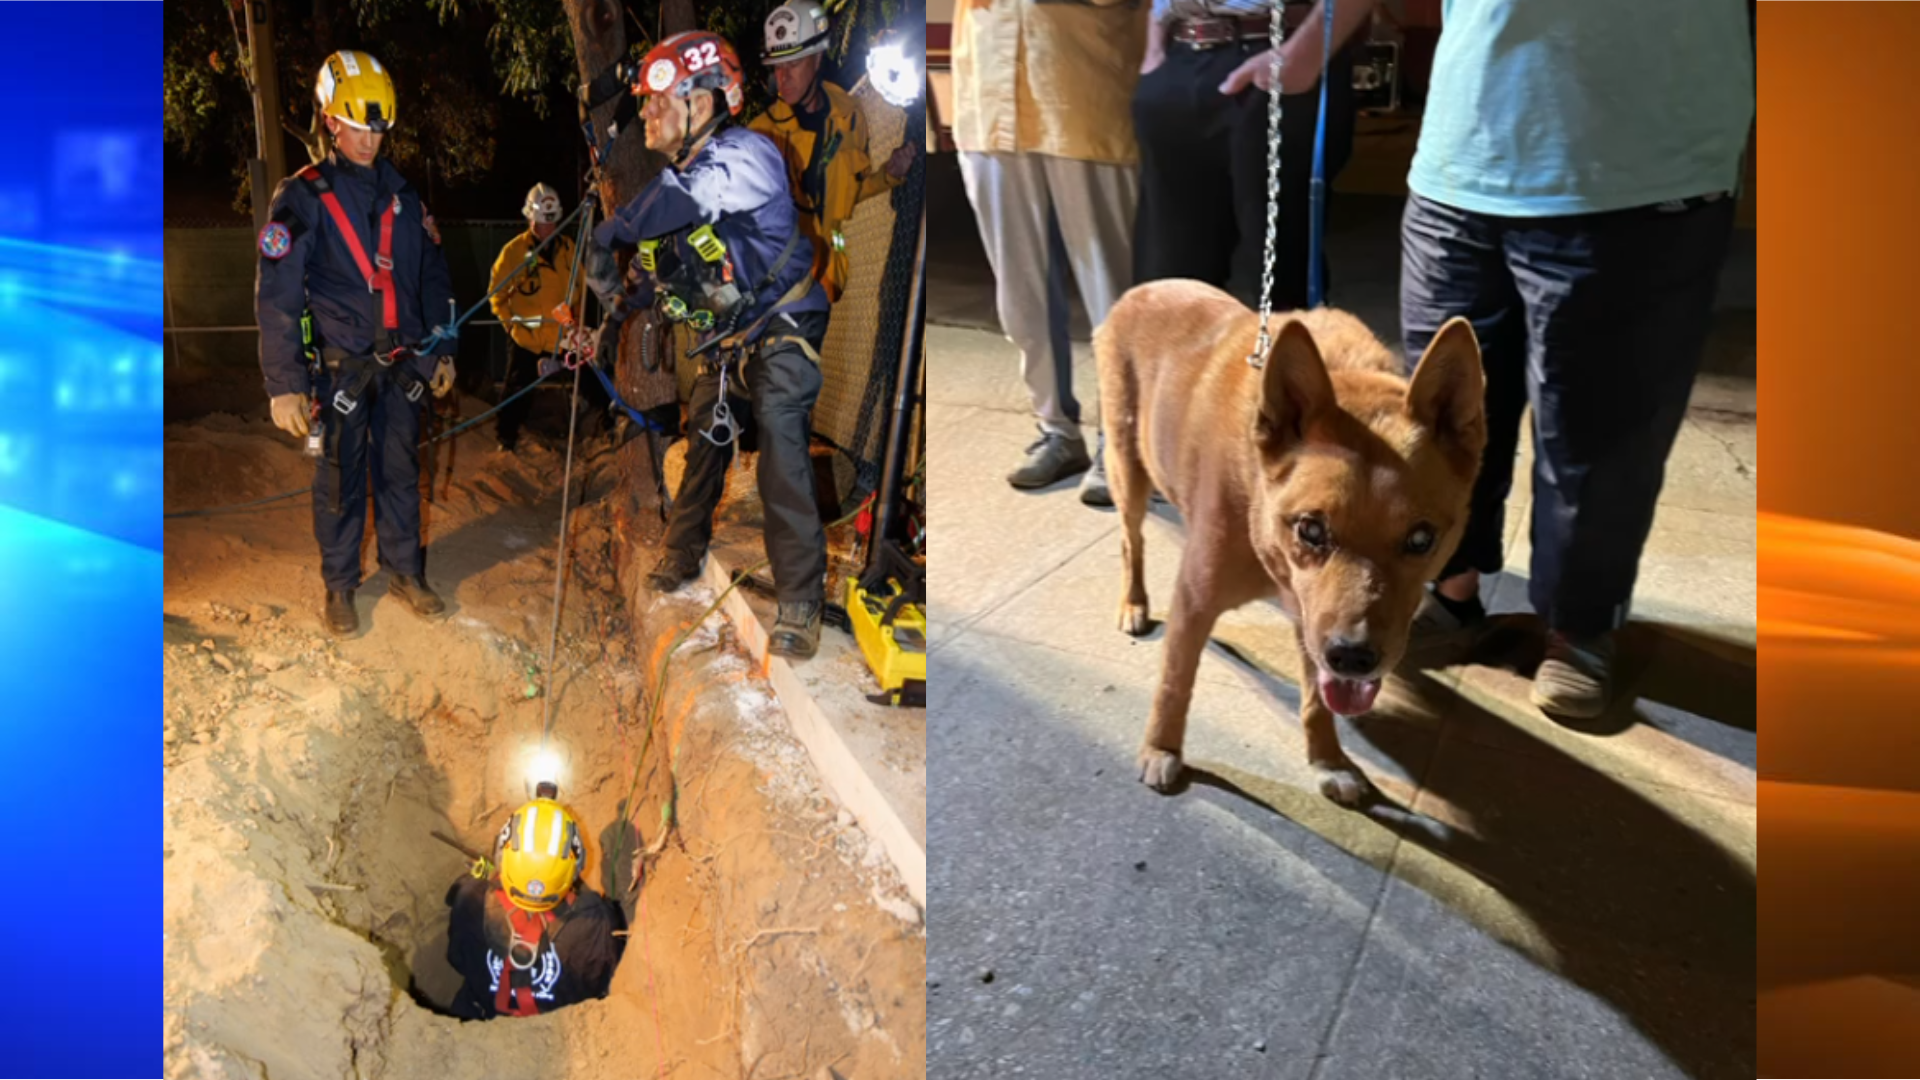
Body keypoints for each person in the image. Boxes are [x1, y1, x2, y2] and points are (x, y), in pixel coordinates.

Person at [1400, 0, 1754, 718]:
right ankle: (1451, 585)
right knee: (1438, 425)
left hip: (1635, 171)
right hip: (1461, 155)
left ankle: (1581, 625)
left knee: (1600, 438)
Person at [590, 30, 834, 659]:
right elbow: (660, 271)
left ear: (701, 102)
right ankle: (681, 550)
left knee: (780, 425)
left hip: (785, 321)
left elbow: (686, 199)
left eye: (657, 98)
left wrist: (610, 228)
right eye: (644, 101)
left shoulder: (746, 154)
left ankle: (802, 598)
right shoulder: (682, 176)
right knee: (708, 430)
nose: (646, 112)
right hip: (735, 335)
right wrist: (616, 312)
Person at [255, 50, 457, 637]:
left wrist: (443, 348)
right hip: (340, 373)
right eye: (357, 127)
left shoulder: (405, 196)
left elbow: (434, 278)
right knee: (339, 481)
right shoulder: (301, 199)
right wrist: (284, 384)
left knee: (401, 475)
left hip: (404, 369)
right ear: (329, 122)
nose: (370, 140)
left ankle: (405, 572)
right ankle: (340, 585)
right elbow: (278, 294)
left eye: (379, 128)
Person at [950, 0, 1142, 500]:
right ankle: (1056, 428)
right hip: (988, 99)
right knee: (1019, 295)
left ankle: (1125, 441)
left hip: (1080, 93)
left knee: (1112, 292)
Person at [1130, 0, 1364, 321]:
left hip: (1279, 49)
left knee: (1280, 287)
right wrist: (1154, 45)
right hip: (1178, 52)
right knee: (1169, 286)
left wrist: (1304, 55)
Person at [748, 0, 915, 308]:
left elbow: (848, 191)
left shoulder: (849, 115)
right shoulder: (761, 135)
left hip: (829, 277)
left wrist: (889, 175)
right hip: (778, 285)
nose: (782, 77)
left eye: (793, 63)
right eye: (777, 66)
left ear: (817, 56)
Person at [445, 796, 624, 1019]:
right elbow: (601, 982)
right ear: (576, 865)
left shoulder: (470, 899)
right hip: (561, 1032)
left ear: (502, 854)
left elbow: (456, 959)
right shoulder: (599, 923)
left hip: (479, 1020)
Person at [486, 183, 589, 453]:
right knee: (517, 389)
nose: (547, 228)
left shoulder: (569, 250)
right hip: (527, 339)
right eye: (542, 222)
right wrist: (512, 328)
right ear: (530, 218)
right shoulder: (514, 252)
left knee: (591, 376)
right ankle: (505, 438)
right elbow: (496, 296)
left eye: (552, 222)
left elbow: (580, 290)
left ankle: (608, 424)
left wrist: (576, 324)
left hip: (564, 335)